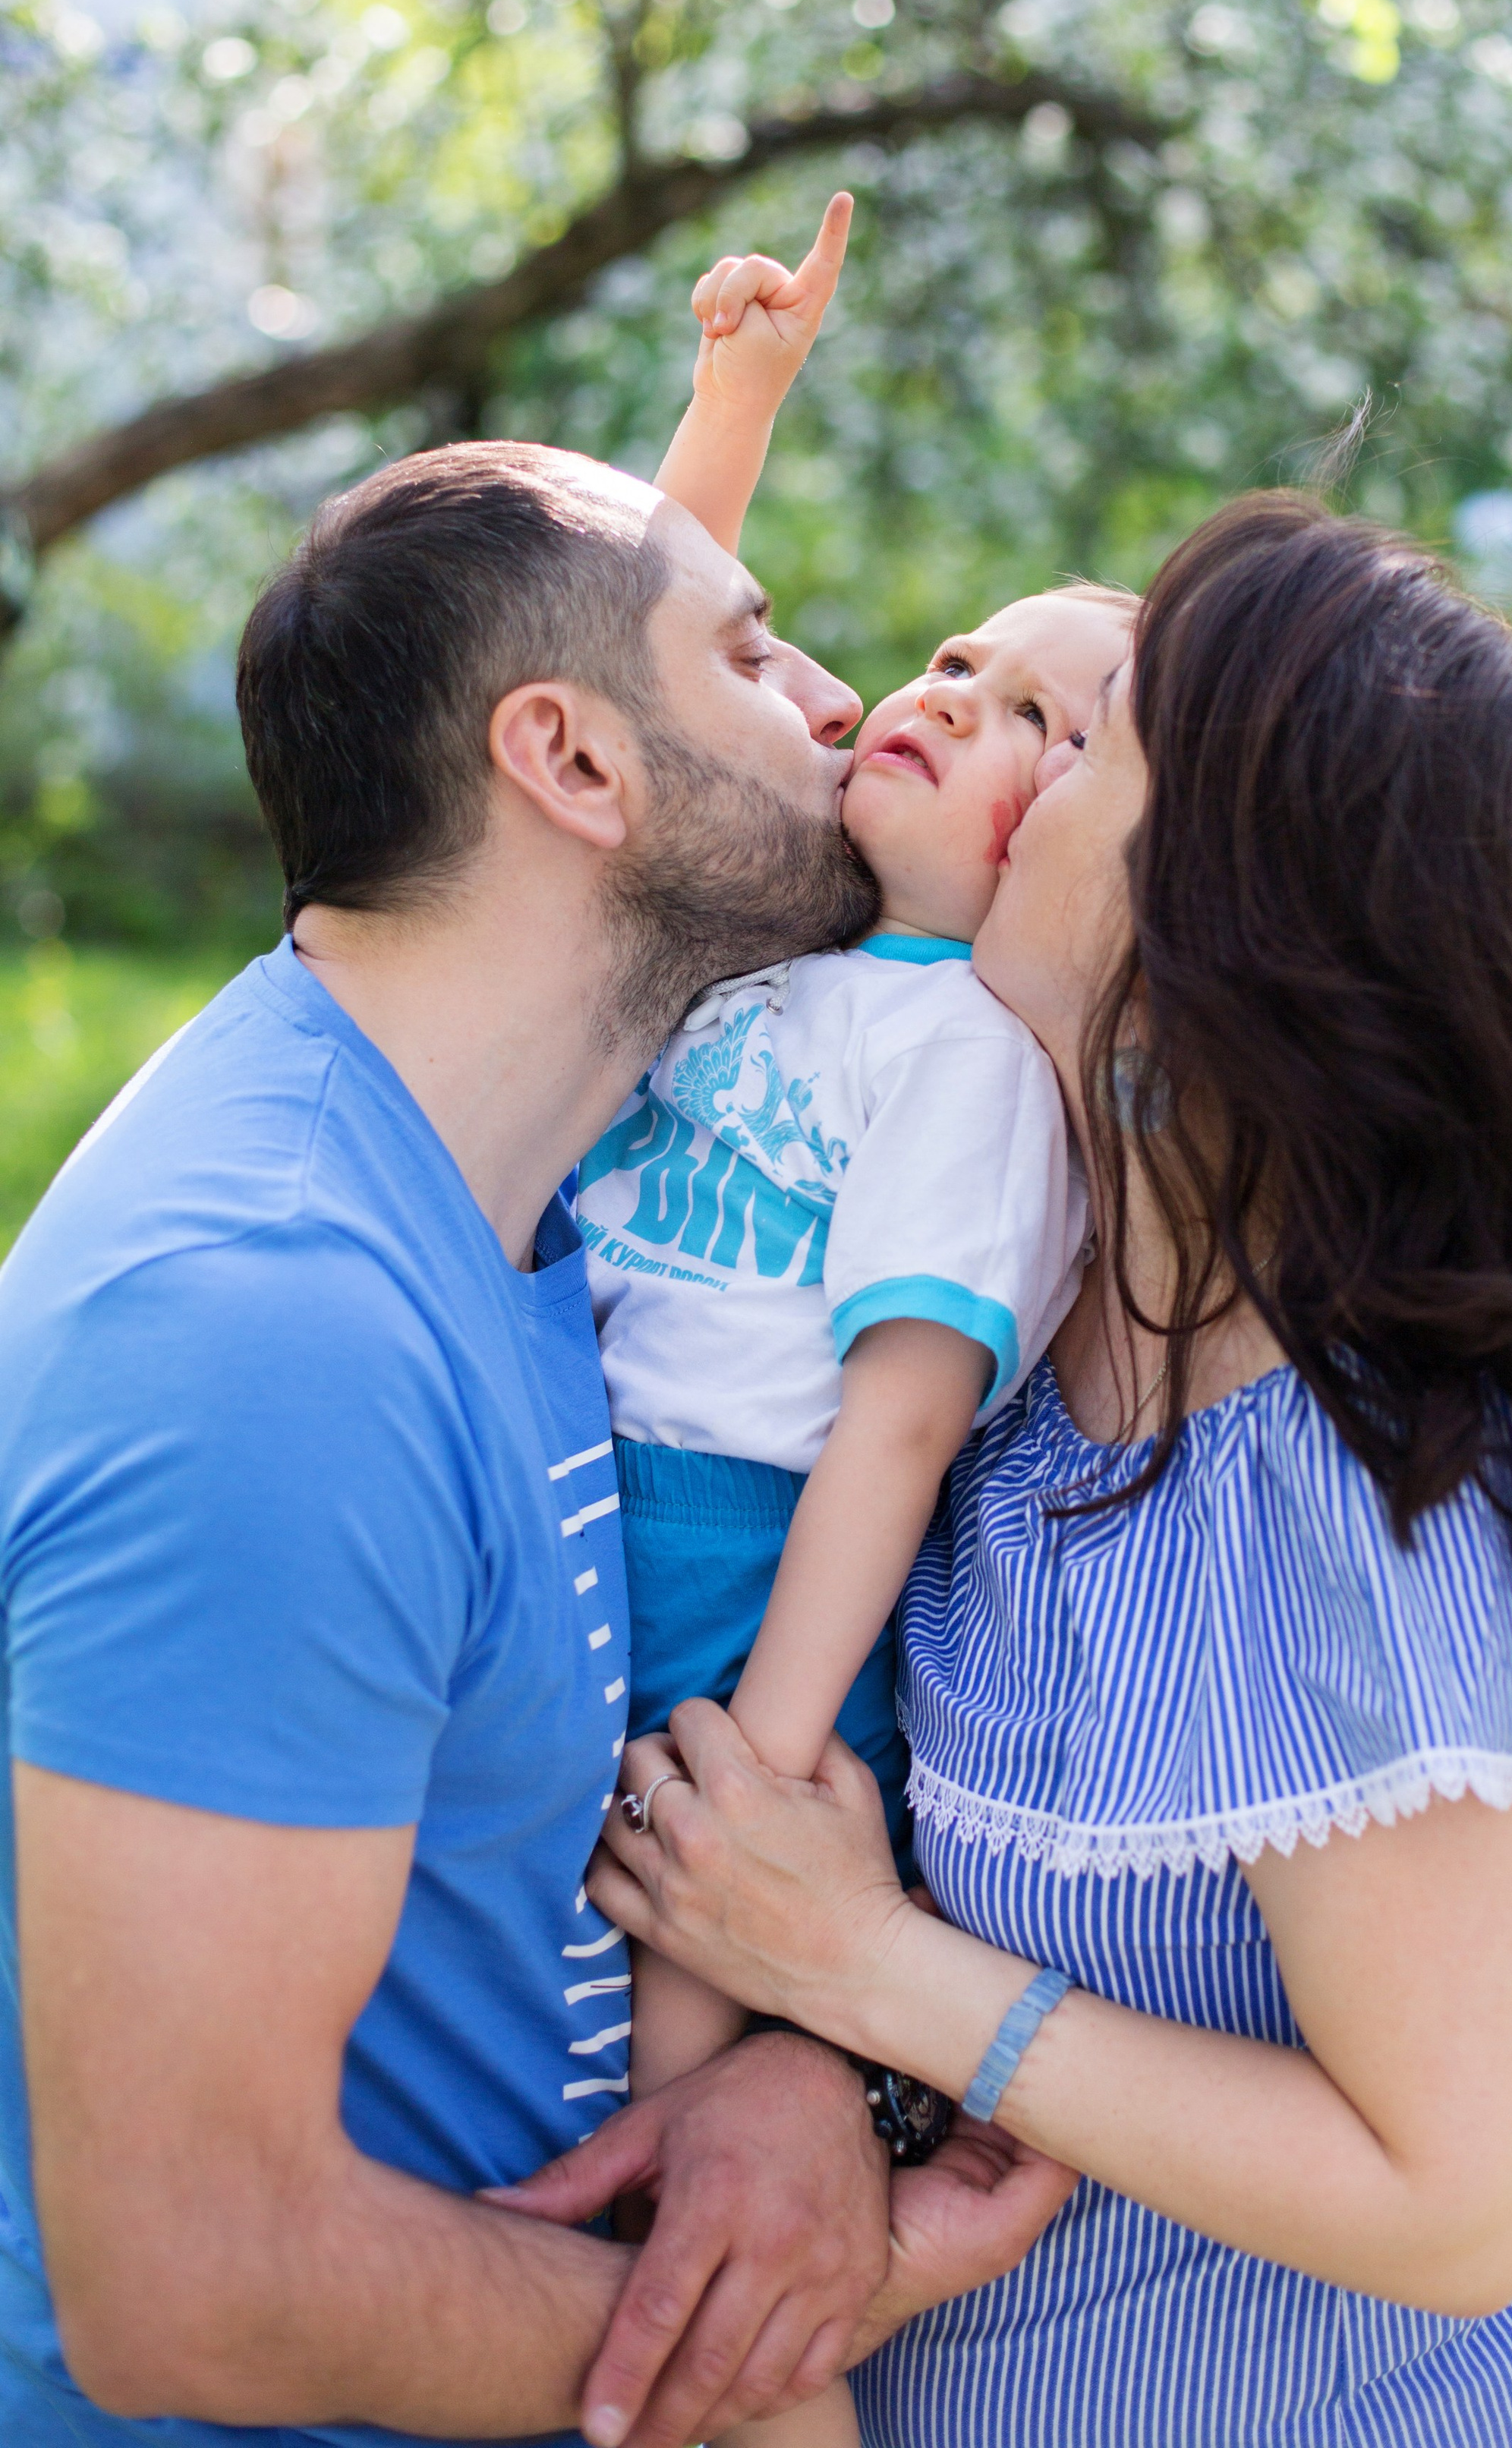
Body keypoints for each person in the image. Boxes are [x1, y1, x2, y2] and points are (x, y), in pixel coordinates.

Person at [543, 493, 1512, 2447]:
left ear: (1231, 927)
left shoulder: (1372, 1492)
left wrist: (857, 1963)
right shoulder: (1032, 1328)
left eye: (1085, 741)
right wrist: (829, 2071)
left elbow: (1452, 2200)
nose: (997, 745)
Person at [0, 202, 1073, 2448]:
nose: (839, 701)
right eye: (762, 656)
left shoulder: (506, 1149)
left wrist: (773, 2090)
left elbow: (602, 661)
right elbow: (193, 2292)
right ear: (575, 772)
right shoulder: (272, 1344)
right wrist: (792, 2312)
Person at [568, 224, 1129, 2446]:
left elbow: (892, 1435)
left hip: (743, 1602)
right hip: (599, 1515)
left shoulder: (972, 1062)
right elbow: (625, 667)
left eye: (1033, 723)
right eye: (959, 659)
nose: (945, 695)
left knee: (698, 2189)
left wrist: (772, 1775)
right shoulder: (791, 919)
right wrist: (740, 408)